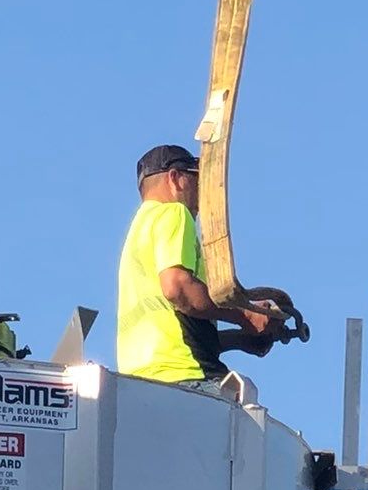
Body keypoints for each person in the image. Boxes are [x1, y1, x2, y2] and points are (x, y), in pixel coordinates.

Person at [116, 143, 306, 388]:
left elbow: (178, 328)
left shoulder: (138, 231)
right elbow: (178, 290)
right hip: (186, 376)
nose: (202, 193)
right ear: (175, 178)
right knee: (247, 412)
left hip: (141, 380)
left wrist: (239, 339)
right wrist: (246, 314)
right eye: (197, 180)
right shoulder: (173, 213)